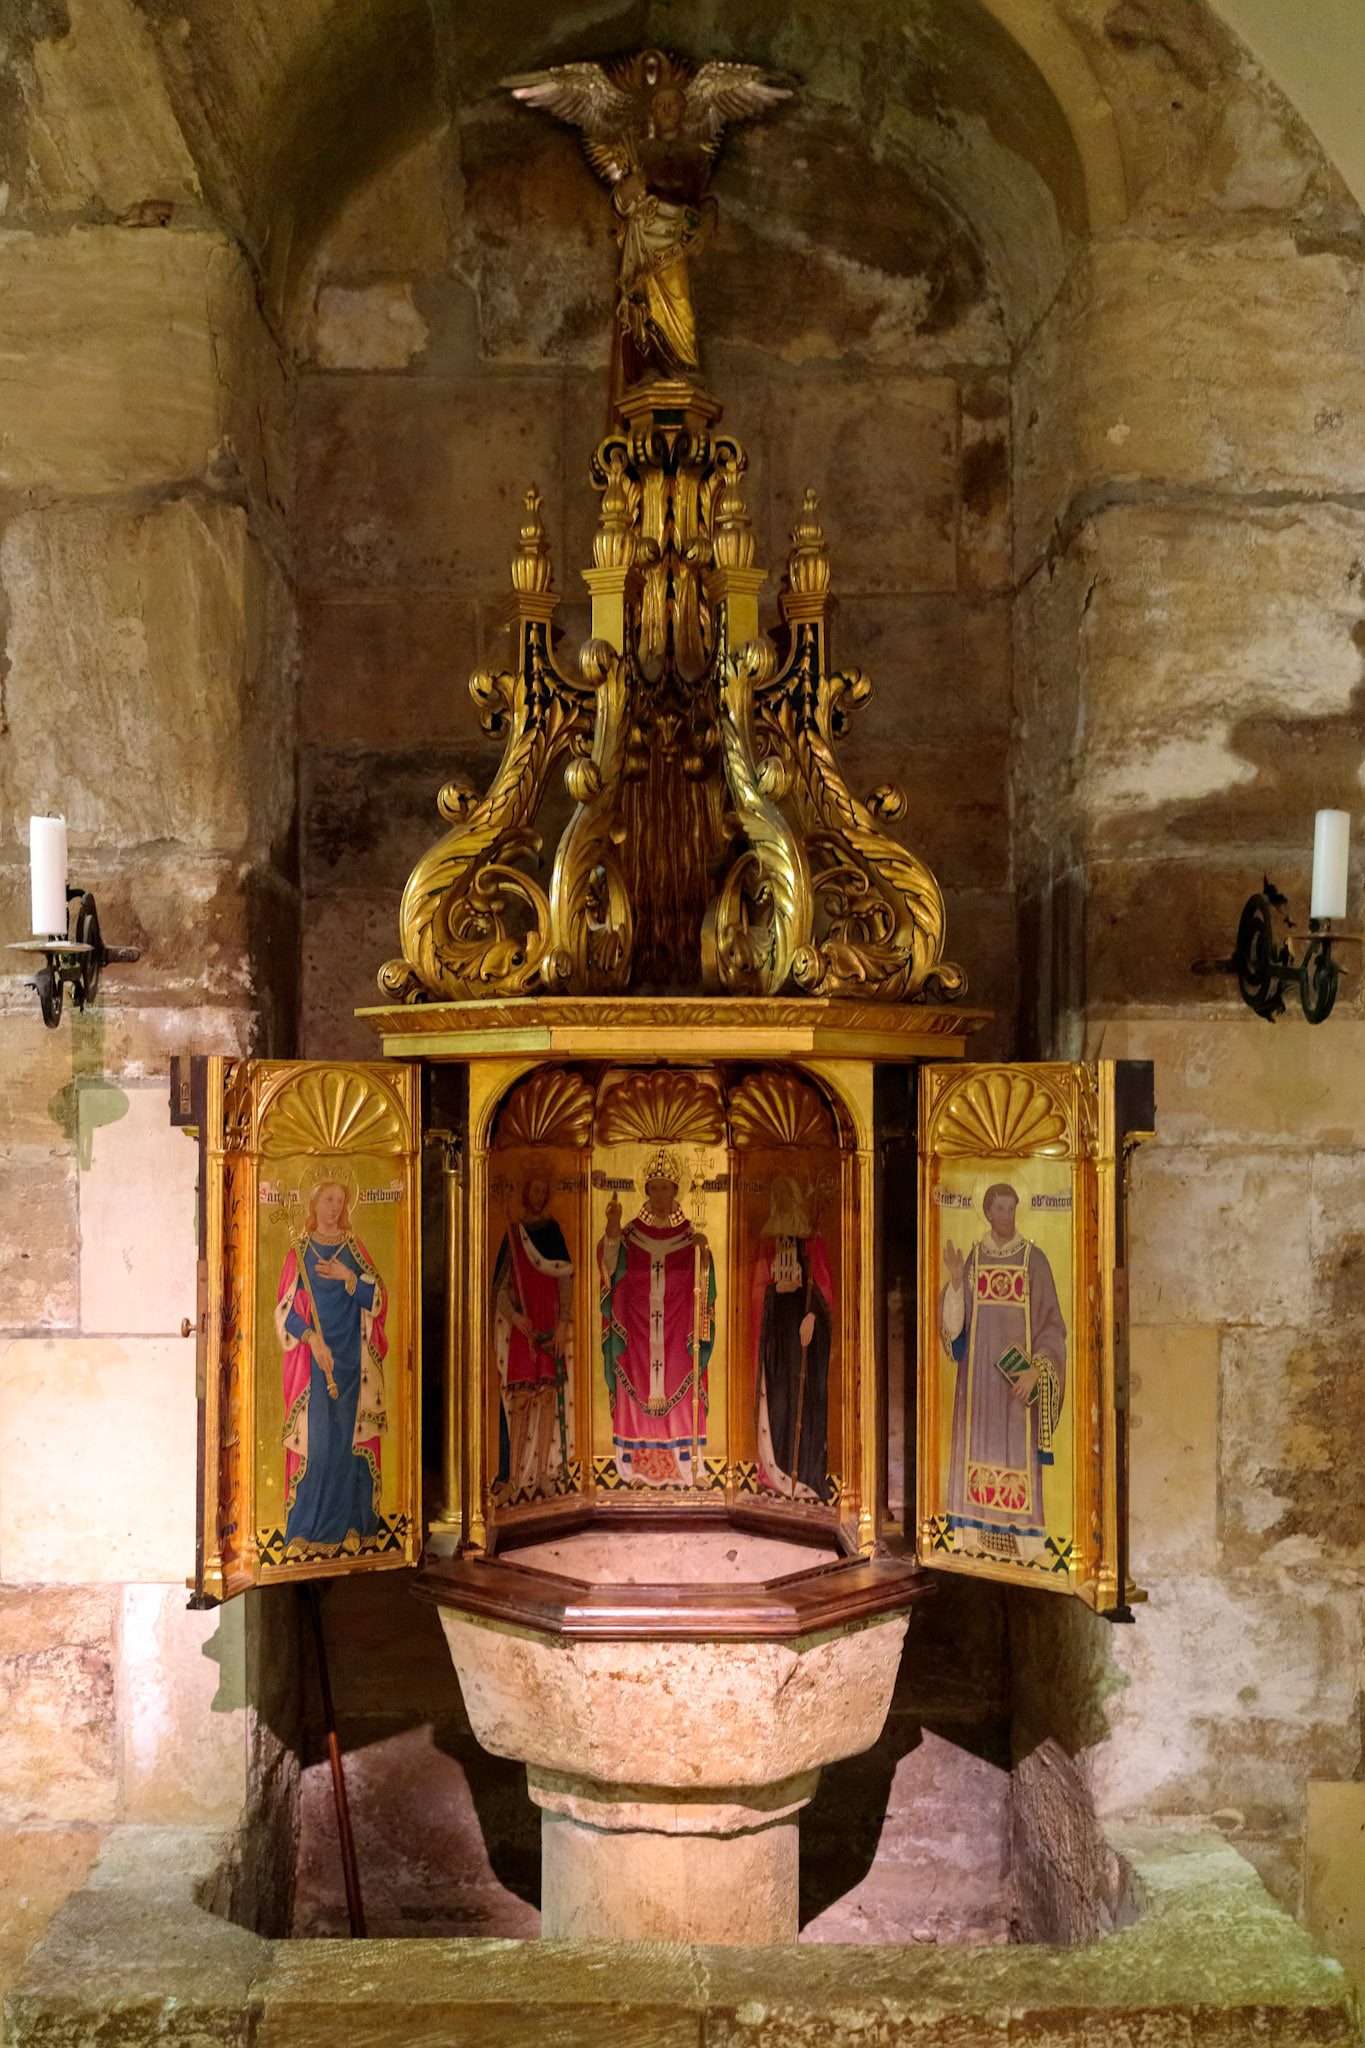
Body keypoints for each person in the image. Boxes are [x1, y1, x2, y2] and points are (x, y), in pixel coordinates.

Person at [939, 1182, 1066, 1560]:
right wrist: (958, 1283)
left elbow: (1053, 1327)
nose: (1007, 1216)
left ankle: (1026, 1541)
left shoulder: (1035, 1260)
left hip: (1016, 1389)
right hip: (978, 1386)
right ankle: (971, 1533)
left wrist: (1037, 1371)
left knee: (1017, 1453)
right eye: (1000, 1209)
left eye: (1012, 1209)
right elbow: (955, 1331)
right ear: (988, 1212)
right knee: (977, 1448)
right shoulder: (974, 1260)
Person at [276, 1177, 387, 1556]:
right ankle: (305, 1531)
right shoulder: (300, 1251)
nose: (334, 1207)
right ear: (314, 1201)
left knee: (348, 1446)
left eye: (340, 1200)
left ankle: (354, 1529)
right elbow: (286, 1313)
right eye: (328, 1199)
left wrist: (348, 1277)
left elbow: (378, 1299)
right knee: (318, 1445)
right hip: (314, 1366)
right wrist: (312, 1339)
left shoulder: (354, 1250)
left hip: (353, 1365)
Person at [599, 1146, 714, 1485]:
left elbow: (704, 1285)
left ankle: (686, 1466)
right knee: (635, 1387)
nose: (661, 1194)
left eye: (667, 1187)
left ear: (675, 1191)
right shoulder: (630, 1234)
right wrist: (611, 1230)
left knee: (682, 1387)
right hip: (637, 1333)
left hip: (678, 1333)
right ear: (646, 1191)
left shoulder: (691, 1236)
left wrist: (704, 1257)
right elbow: (610, 1269)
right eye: (655, 1187)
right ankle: (633, 1467)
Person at [492, 1165, 573, 1499]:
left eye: (544, 1190)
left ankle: (542, 1474)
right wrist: (514, 1317)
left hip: (549, 1325)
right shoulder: (514, 1235)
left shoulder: (554, 1234)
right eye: (534, 1189)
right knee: (522, 1401)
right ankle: (514, 1477)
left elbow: (565, 1279)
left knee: (547, 1400)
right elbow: (500, 1289)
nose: (539, 1195)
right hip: (524, 1330)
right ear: (526, 1192)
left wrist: (563, 1321)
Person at [751, 1176, 833, 1501]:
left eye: (790, 1199)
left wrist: (813, 1314)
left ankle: (806, 1481)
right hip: (776, 1340)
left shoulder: (813, 1242)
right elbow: (756, 1287)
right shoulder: (768, 1242)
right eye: (779, 1199)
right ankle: (775, 1479)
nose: (785, 1206)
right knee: (779, 1402)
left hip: (805, 1341)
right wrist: (773, 1288)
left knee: (806, 1403)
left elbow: (825, 1287)